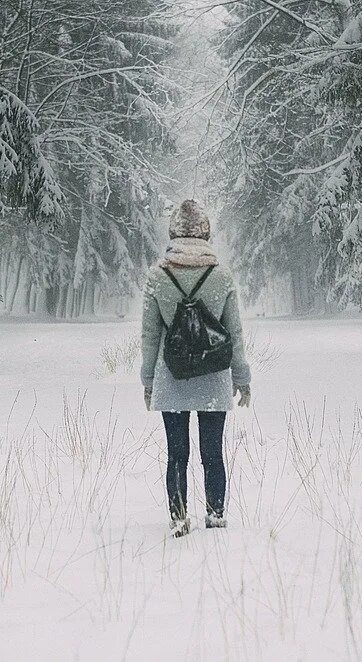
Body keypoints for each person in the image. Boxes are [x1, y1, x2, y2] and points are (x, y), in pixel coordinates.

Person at [141, 199, 251, 537]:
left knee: (177, 453)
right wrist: (241, 377)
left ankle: (178, 518)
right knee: (212, 452)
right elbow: (234, 332)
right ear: (205, 233)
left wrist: (148, 380)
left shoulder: (158, 276)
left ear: (173, 232)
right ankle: (215, 515)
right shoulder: (221, 276)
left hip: (171, 377)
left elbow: (149, 335)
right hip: (213, 377)